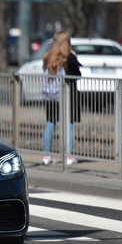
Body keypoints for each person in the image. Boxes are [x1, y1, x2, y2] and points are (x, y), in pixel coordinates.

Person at [41, 31, 82, 166]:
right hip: (66, 96)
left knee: (50, 123)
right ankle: (68, 156)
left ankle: (46, 156)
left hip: (50, 96)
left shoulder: (47, 57)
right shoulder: (68, 57)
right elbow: (77, 75)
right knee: (69, 123)